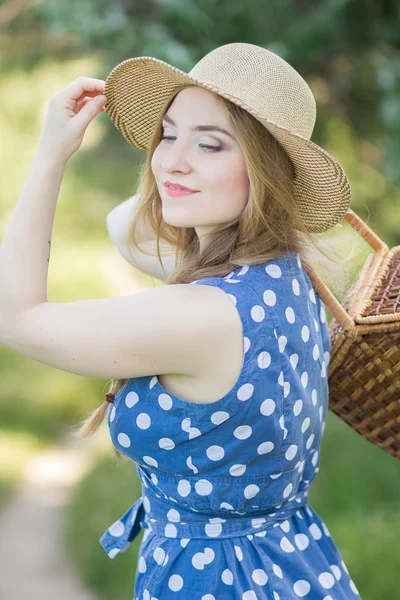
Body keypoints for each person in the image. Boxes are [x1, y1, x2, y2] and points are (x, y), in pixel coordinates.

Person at [0, 42, 362, 599]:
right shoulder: (288, 275)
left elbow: (13, 318)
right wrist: (186, 182)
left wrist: (51, 154)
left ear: (266, 171)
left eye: (211, 144)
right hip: (293, 567)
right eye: (168, 133)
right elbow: (127, 226)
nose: (172, 160)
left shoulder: (205, 315)